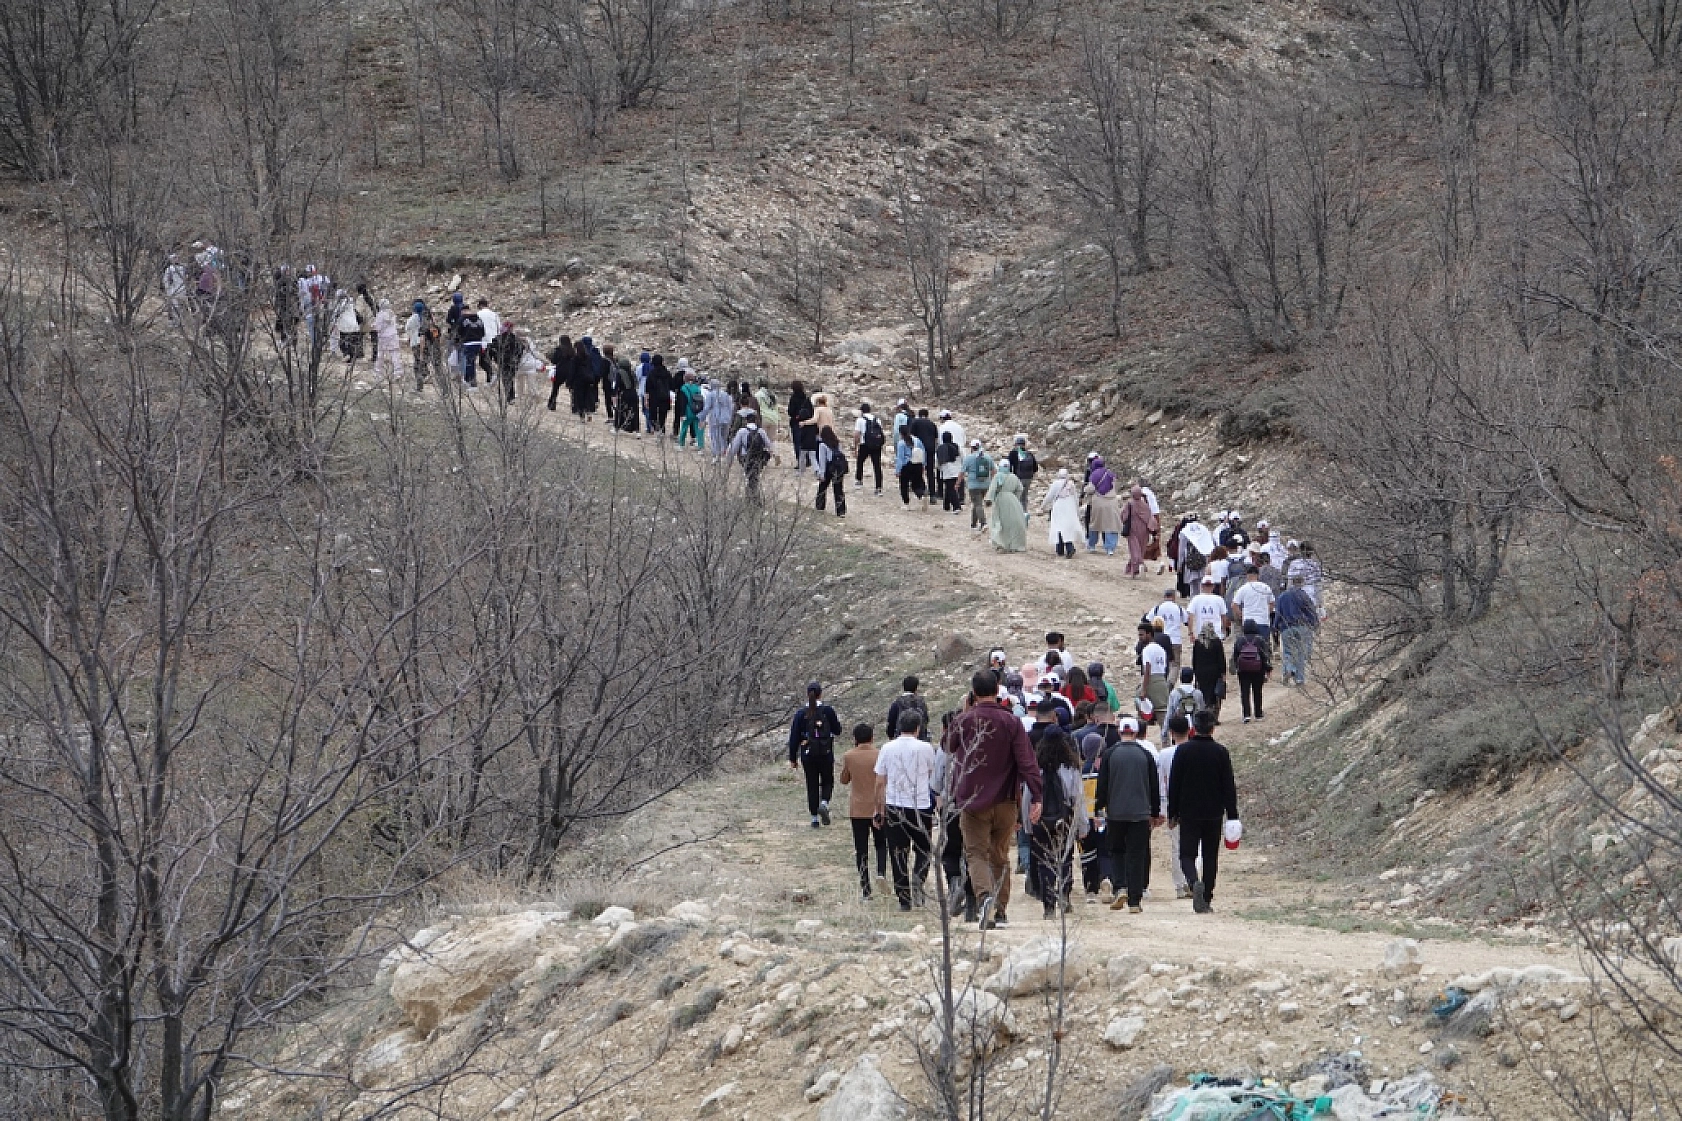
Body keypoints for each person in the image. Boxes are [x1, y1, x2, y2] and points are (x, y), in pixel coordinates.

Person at [946, 670, 1043, 930]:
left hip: (972, 800)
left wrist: (963, 712)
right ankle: (1000, 909)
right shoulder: (1011, 721)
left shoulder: (965, 720)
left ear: (973, 692)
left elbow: (947, 745)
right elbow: (1026, 761)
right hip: (1005, 800)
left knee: (976, 853)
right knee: (1000, 855)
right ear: (998, 688)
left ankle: (984, 898)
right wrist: (1036, 795)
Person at [1168, 709, 1238, 914]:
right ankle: (1206, 897)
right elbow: (1228, 785)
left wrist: (1173, 813)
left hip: (1188, 812)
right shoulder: (1221, 752)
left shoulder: (1183, 751)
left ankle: (1193, 881)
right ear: (1212, 728)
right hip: (1214, 812)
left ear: (1193, 728)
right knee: (1210, 856)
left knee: (1186, 854)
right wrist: (1232, 815)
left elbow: (1174, 784)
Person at [1092, 716, 1161, 914]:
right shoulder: (1146, 755)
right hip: (1140, 813)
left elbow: (1102, 785)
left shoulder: (1110, 754)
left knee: (1117, 850)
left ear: (1120, 732)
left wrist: (1099, 808)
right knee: (1137, 854)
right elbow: (1153, 786)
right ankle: (1135, 900)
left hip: (1116, 813)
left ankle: (1120, 886)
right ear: (1136, 732)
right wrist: (1155, 812)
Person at [876, 711, 937, 911]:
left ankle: (903, 899)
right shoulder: (926, 748)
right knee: (924, 849)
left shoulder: (887, 748)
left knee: (898, 853)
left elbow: (880, 781)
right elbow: (931, 774)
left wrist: (879, 808)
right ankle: (918, 879)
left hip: (895, 805)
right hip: (920, 806)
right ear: (918, 728)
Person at [1029, 730, 1086, 919]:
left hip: (1040, 819)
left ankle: (1048, 905)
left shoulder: (1035, 768)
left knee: (1044, 862)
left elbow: (1028, 796)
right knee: (1065, 858)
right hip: (1064, 819)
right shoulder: (1070, 767)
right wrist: (1082, 825)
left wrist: (1028, 823)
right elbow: (1078, 798)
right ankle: (1065, 895)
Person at [839, 724, 888, 900]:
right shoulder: (880, 754)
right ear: (872, 737)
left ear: (855, 739)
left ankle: (866, 889)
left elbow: (844, 779)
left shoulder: (849, 756)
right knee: (881, 844)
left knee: (861, 849)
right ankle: (881, 872)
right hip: (878, 806)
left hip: (857, 808)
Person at [787, 682, 842, 828]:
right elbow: (837, 730)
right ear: (820, 694)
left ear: (807, 694)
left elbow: (794, 737)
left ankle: (814, 818)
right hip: (825, 752)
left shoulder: (801, 714)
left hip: (807, 754)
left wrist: (793, 758)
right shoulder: (828, 710)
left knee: (811, 784)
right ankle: (824, 803)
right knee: (827, 780)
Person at [1159, 713, 1192, 899]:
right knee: (1197, 844)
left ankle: (1180, 885)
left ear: (1171, 732)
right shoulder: (1195, 751)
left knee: (1177, 845)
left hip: (1171, 802)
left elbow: (1161, 782)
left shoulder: (1164, 754)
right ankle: (1193, 878)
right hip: (1194, 803)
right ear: (1189, 730)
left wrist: (1159, 807)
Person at [1276, 575, 1320, 686]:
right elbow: (1311, 611)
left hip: (1286, 627)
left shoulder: (1282, 596)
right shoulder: (1304, 595)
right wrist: (1315, 624)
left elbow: (1278, 613)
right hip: (1302, 627)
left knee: (1288, 651)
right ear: (1302, 583)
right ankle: (1299, 679)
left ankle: (1289, 669)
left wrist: (1275, 626)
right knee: (1301, 653)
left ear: (1291, 583)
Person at [1230, 619, 1272, 723]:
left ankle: (1246, 714)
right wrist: (1268, 669)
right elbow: (1264, 656)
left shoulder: (1240, 640)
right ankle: (1258, 714)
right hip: (1258, 669)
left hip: (1243, 670)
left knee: (1244, 692)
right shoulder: (1260, 640)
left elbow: (1235, 656)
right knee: (1257, 691)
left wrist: (1236, 668)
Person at [1230, 565, 1277, 646]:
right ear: (1258, 575)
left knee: (1249, 647)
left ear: (1247, 575)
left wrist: (1241, 615)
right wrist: (1266, 612)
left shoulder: (1243, 588)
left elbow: (1234, 605)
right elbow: (1272, 603)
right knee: (1264, 647)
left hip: (1248, 623)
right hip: (1263, 621)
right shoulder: (1265, 587)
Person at [728, 420, 774, 501]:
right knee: (754, 477)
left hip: (746, 458)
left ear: (746, 421)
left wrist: (729, 461)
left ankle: (751, 498)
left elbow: (734, 448)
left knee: (750, 477)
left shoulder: (742, 431)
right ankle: (753, 497)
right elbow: (769, 445)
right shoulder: (761, 431)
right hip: (758, 458)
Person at [1083, 462, 1123, 555]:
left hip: (1098, 501)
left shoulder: (1094, 475)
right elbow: (1116, 487)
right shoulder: (1111, 474)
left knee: (1095, 524)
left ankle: (1092, 545)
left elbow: (1091, 488)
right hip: (1112, 502)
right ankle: (1110, 548)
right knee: (1111, 524)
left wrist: (1085, 489)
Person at [985, 467, 1028, 552]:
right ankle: (1015, 545)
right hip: (1012, 499)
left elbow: (993, 488)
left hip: (1000, 499)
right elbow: (1020, 488)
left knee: (1000, 521)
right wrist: (1015, 497)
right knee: (1013, 522)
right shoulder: (1014, 476)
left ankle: (1002, 543)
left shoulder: (998, 476)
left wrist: (989, 499)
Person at [1190, 624, 1228, 721]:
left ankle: (1204, 716)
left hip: (1201, 673)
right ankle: (1213, 717)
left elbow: (1194, 660)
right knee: (1214, 695)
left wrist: (1195, 672)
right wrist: (1223, 672)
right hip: (1214, 673)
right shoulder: (1217, 642)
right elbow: (1221, 659)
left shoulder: (1197, 643)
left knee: (1203, 694)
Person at [1043, 469, 1082, 558]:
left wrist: (1043, 505)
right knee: (1066, 528)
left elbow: (1049, 496)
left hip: (1058, 508)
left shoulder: (1055, 484)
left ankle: (1060, 549)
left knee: (1058, 528)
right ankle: (1069, 548)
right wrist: (1077, 510)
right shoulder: (1071, 484)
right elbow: (1075, 498)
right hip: (1069, 507)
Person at [405, 300, 444, 392]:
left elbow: (411, 331)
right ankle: (444, 388)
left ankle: (419, 386)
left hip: (419, 344)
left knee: (417, 365)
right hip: (432, 345)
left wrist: (421, 352)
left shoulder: (415, 320)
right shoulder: (429, 320)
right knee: (435, 367)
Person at [1138, 621, 1170, 728]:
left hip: (1151, 681)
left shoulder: (1147, 650)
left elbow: (1147, 669)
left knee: (1140, 703)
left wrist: (1143, 689)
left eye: (1141, 635)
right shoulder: (1161, 649)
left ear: (1149, 634)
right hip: (1162, 681)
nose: (1140, 638)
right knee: (1163, 715)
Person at [1122, 484, 1157, 577]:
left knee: (1134, 549)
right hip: (1144, 531)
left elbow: (1124, 517)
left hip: (1132, 529)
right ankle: (1131, 568)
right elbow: (1150, 518)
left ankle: (1136, 568)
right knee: (1140, 549)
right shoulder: (1145, 505)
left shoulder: (1129, 504)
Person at [1163, 669, 1204, 745]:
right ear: (1192, 678)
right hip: (1194, 730)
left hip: (1178, 730)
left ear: (1180, 678)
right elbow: (1202, 713)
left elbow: (1169, 714)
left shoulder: (1174, 693)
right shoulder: (1198, 693)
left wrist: (1164, 732)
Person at [909, 409, 941, 503]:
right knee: (930, 472)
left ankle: (921, 491)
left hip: (919, 449)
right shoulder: (932, 424)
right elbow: (936, 438)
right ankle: (932, 495)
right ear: (927, 415)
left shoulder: (915, 423)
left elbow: (912, 437)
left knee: (918, 470)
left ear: (919, 415)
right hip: (930, 449)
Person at [815, 426, 848, 517]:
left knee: (822, 488)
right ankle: (841, 511)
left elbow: (822, 460)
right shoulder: (837, 443)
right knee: (839, 490)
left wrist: (821, 474)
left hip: (829, 468)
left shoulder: (823, 445)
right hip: (838, 468)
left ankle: (820, 507)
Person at [962, 441, 996, 531]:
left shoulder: (969, 458)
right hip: (986, 484)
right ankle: (973, 524)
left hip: (973, 485)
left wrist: (957, 483)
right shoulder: (987, 457)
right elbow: (993, 470)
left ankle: (983, 523)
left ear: (972, 448)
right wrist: (992, 482)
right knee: (976, 503)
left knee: (978, 504)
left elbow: (962, 472)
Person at [854, 403, 886, 495]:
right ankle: (878, 487)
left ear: (861, 411)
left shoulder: (860, 420)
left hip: (864, 444)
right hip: (876, 445)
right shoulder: (877, 419)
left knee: (860, 462)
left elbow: (857, 434)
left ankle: (859, 480)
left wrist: (855, 446)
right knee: (877, 465)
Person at [886, 677, 930, 742]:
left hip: (900, 740)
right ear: (916, 688)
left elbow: (891, 722)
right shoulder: (921, 703)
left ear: (903, 687)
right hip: (919, 739)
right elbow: (926, 720)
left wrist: (891, 737)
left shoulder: (897, 703)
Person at [1188, 575, 1230, 641]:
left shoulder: (1196, 599)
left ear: (1202, 586)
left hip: (1201, 634)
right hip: (1216, 634)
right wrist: (1224, 630)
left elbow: (1190, 617)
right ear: (1213, 586)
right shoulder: (1219, 599)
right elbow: (1224, 617)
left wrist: (1191, 632)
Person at [703, 378, 736, 458]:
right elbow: (731, 407)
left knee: (715, 436)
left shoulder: (710, 395)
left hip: (715, 418)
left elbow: (707, 408)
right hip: (726, 418)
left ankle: (716, 453)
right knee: (724, 436)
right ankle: (724, 451)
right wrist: (730, 417)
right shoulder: (726, 394)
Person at [895, 426, 927, 506]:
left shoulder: (901, 443)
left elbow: (900, 458)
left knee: (904, 485)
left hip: (907, 465)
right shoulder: (917, 440)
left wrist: (898, 470)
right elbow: (923, 452)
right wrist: (923, 464)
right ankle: (921, 495)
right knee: (917, 483)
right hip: (918, 464)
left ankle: (906, 503)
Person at [786, 381, 814, 473]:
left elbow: (790, 411)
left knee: (797, 443)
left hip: (796, 423)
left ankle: (800, 461)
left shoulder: (793, 398)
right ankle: (808, 459)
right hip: (806, 423)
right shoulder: (806, 398)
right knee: (805, 442)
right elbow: (811, 410)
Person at [455, 304, 484, 387]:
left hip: (468, 343)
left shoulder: (462, 319)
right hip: (478, 343)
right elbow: (483, 332)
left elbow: (458, 332)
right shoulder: (478, 319)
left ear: (462, 311)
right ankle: (471, 379)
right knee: (472, 361)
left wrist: (457, 341)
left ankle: (470, 381)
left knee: (469, 363)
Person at [936, 431, 964, 512]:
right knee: (949, 488)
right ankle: (946, 505)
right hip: (958, 470)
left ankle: (956, 507)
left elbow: (937, 462)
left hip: (947, 471)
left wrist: (939, 469)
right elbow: (962, 457)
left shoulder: (940, 449)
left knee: (950, 488)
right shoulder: (957, 447)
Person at [677, 372, 706, 448]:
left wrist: (682, 414)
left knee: (684, 428)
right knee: (699, 429)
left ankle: (681, 444)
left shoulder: (683, 388)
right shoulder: (697, 387)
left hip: (688, 411)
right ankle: (700, 446)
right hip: (697, 411)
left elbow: (683, 402)